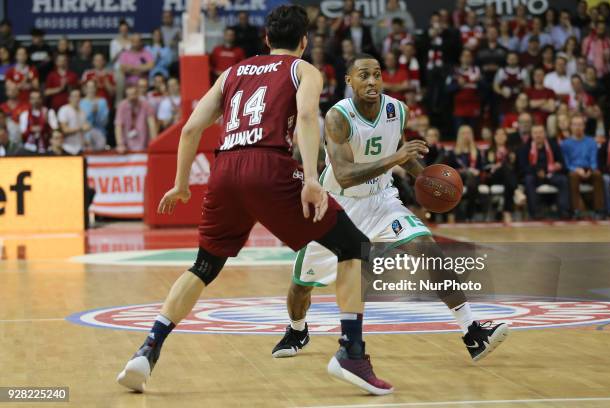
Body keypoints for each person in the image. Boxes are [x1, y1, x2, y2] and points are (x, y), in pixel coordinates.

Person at [116, 5, 400, 396]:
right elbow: (304, 119)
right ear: (304, 42)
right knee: (352, 245)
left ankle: (147, 349)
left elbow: (192, 129)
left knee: (203, 265)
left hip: (224, 170)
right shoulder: (304, 70)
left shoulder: (232, 72)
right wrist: (313, 179)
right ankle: (352, 352)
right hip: (269, 166)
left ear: (266, 40)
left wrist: (181, 184)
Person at [271, 54, 507, 363]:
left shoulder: (397, 110)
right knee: (301, 285)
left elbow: (399, 151)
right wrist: (394, 160)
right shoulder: (337, 117)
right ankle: (297, 329)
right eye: (364, 76)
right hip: (338, 206)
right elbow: (344, 173)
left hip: (382, 200)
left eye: (377, 75)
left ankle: (473, 332)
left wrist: (425, 179)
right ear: (349, 81)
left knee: (426, 248)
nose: (371, 81)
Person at [518, 125, 570, 219]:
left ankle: (564, 212)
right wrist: (536, 171)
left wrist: (558, 166)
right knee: (529, 180)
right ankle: (536, 213)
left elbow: (562, 164)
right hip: (534, 176)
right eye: (535, 133)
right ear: (531, 135)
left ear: (545, 134)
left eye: (540, 132)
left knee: (563, 180)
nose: (538, 135)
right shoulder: (525, 147)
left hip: (551, 174)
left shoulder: (553, 145)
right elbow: (522, 168)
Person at [561, 115, 605, 218]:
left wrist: (591, 169)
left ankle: (599, 210)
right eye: (575, 125)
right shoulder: (565, 144)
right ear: (571, 127)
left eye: (580, 124)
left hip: (589, 169)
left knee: (598, 175)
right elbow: (566, 163)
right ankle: (577, 210)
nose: (577, 127)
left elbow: (594, 160)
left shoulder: (591, 141)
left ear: (584, 126)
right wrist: (576, 170)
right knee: (572, 176)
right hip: (574, 170)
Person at [482, 128, 517, 223]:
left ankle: (506, 211)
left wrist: (511, 162)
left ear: (506, 137)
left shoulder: (512, 151)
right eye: (498, 134)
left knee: (507, 174)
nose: (500, 137)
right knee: (505, 168)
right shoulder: (488, 151)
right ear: (494, 137)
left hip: (508, 179)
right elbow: (485, 167)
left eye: (503, 134)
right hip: (494, 177)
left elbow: (516, 167)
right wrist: (496, 166)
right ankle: (516, 193)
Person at [58, 89, 106, 154]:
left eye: (78, 96)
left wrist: (88, 128)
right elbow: (64, 130)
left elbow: (84, 128)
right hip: (67, 148)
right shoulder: (64, 110)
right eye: (74, 96)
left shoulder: (82, 112)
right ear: (69, 98)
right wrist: (80, 128)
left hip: (80, 148)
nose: (77, 99)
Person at [114, 84, 157, 153]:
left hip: (144, 143)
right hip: (126, 146)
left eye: (134, 94)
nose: (132, 97)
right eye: (129, 95)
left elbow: (152, 124)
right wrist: (120, 144)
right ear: (126, 96)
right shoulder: (122, 106)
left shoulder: (146, 105)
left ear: (138, 94)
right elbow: (118, 126)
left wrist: (154, 143)